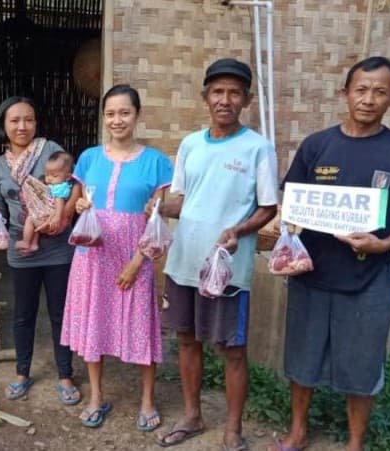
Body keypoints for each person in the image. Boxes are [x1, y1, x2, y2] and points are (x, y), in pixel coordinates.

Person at [270, 56, 390, 451]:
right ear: (344, 93)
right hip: (310, 274)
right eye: (361, 89)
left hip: (369, 278)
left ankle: (355, 442)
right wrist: (286, 232)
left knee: (363, 365)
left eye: (380, 92)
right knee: (302, 357)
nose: (368, 99)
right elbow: (291, 206)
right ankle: (297, 432)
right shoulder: (317, 145)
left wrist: (383, 244)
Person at [153, 59, 278, 450]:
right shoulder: (190, 144)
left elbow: (268, 207)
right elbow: (182, 200)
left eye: (234, 93)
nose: (225, 99)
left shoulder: (258, 147)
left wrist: (239, 230)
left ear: (246, 100)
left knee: (233, 349)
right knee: (187, 341)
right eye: (218, 92)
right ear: (206, 97)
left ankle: (233, 430)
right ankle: (192, 416)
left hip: (226, 270)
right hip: (184, 263)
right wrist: (156, 208)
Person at [61, 84, 173, 430]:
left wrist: (139, 262)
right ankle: (96, 396)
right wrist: (78, 206)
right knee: (94, 321)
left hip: (133, 255)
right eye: (110, 113)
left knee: (142, 323)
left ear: (137, 115)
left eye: (124, 112)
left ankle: (147, 401)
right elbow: (77, 204)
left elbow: (158, 222)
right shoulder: (89, 158)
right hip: (92, 255)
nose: (117, 119)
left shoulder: (156, 162)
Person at [0, 96, 82, 404]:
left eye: (29, 119)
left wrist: (63, 216)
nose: (22, 126)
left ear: (36, 123)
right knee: (23, 314)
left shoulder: (51, 151)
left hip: (58, 247)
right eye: (15, 120)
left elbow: (76, 184)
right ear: (4, 125)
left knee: (60, 313)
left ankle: (65, 374)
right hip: (21, 247)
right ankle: (22, 372)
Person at [15, 150, 75, 254]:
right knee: (35, 223)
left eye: (54, 176)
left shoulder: (58, 188)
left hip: (50, 217)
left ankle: (26, 241)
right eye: (47, 175)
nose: (49, 178)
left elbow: (59, 202)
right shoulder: (62, 185)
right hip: (49, 216)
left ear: (68, 176)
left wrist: (57, 217)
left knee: (30, 219)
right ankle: (34, 244)